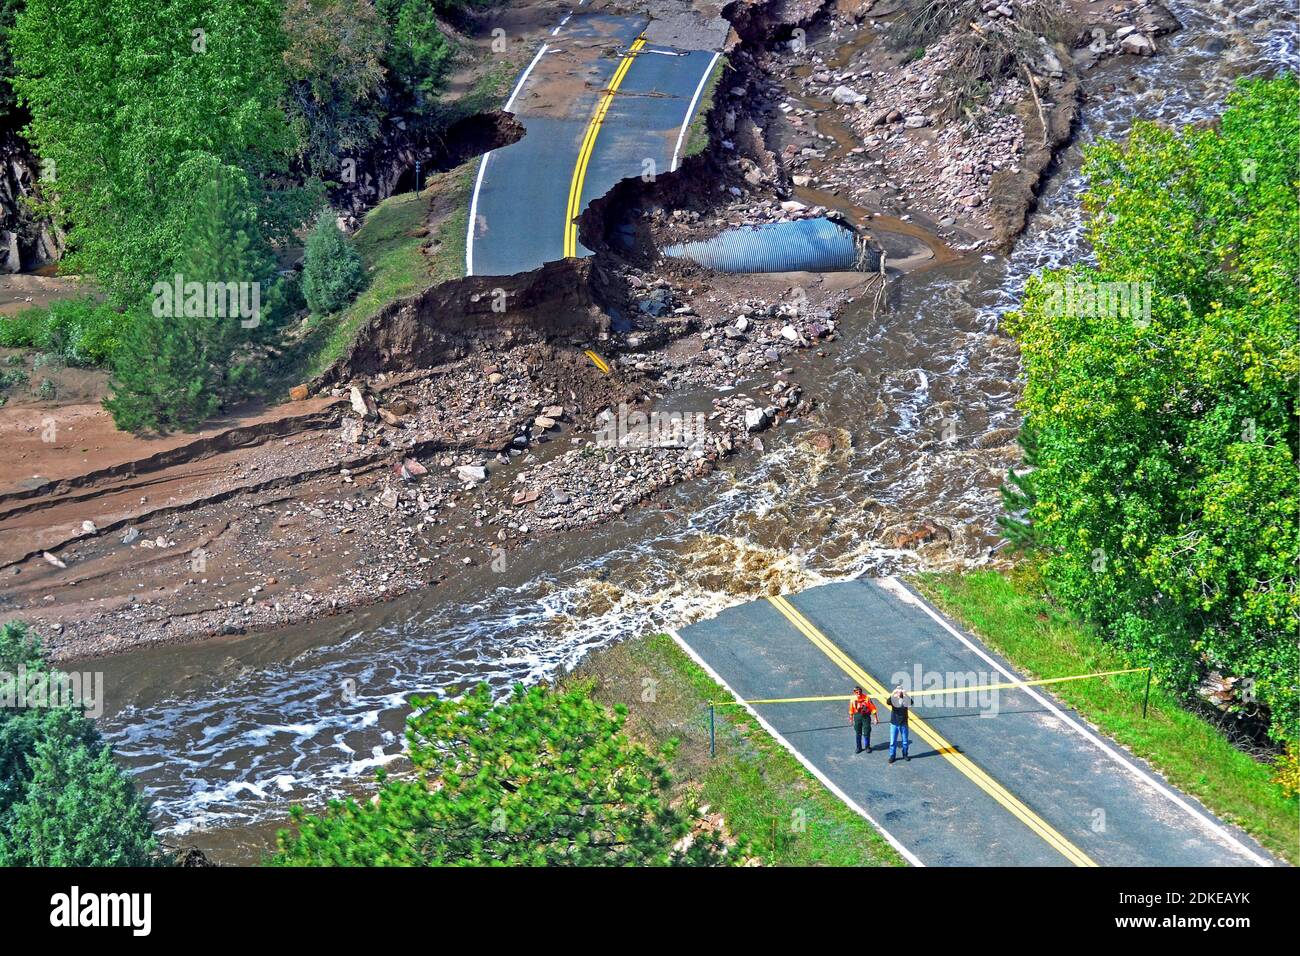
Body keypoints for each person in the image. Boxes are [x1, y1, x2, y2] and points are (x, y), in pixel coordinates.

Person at [849, 686, 878, 753]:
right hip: (857, 716)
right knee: (858, 732)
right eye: (857, 692)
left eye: (860, 692)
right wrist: (851, 719)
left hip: (866, 717)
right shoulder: (853, 699)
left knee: (867, 732)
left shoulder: (867, 698)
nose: (858, 693)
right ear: (854, 692)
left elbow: (873, 708)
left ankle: (867, 747)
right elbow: (851, 709)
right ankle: (859, 747)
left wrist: (875, 718)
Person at [888, 685, 912, 764]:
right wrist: (893, 693)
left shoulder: (905, 699)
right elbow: (888, 702)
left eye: (900, 691)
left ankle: (905, 754)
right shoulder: (894, 699)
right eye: (898, 691)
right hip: (894, 723)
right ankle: (892, 755)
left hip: (903, 723)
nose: (899, 693)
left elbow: (911, 702)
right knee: (892, 742)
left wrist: (906, 694)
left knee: (905, 741)